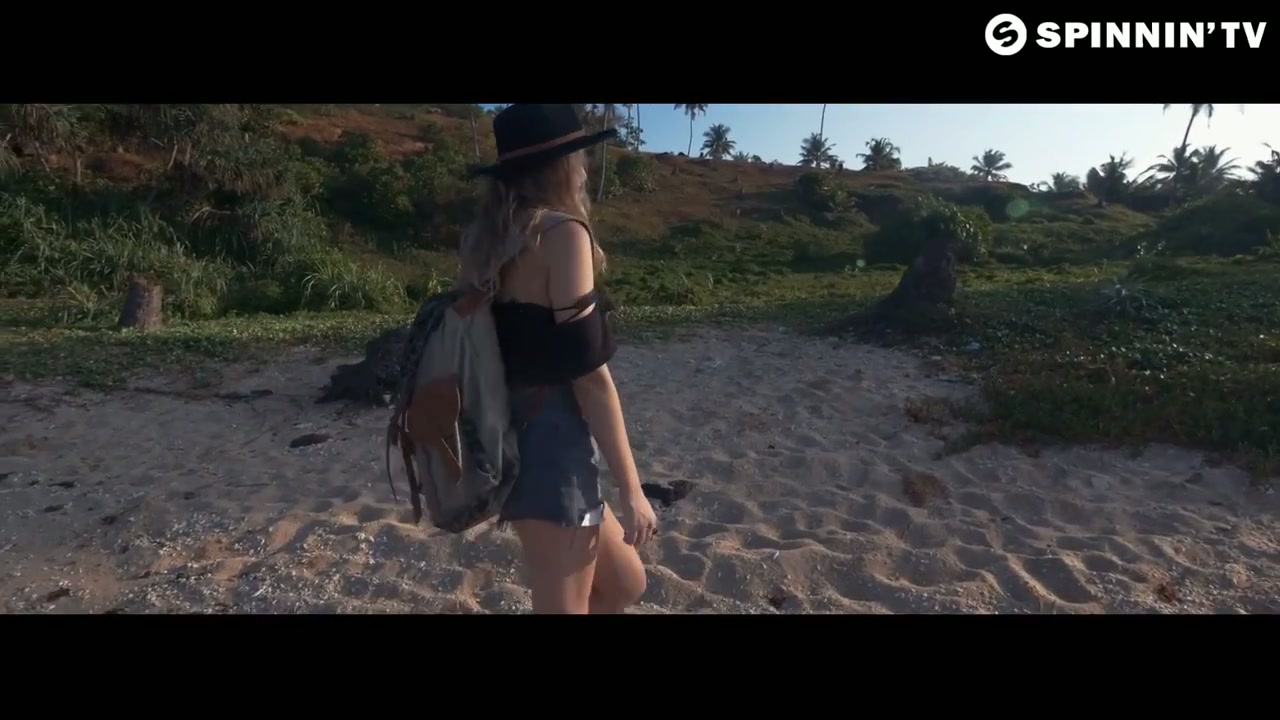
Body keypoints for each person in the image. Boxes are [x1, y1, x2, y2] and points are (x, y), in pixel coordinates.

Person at [458, 104, 657, 614]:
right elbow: (589, 377)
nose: (585, 166)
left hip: (505, 431)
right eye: (580, 156)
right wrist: (632, 489)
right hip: (551, 445)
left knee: (625, 582)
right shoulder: (562, 234)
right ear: (563, 165)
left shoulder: (489, 239)